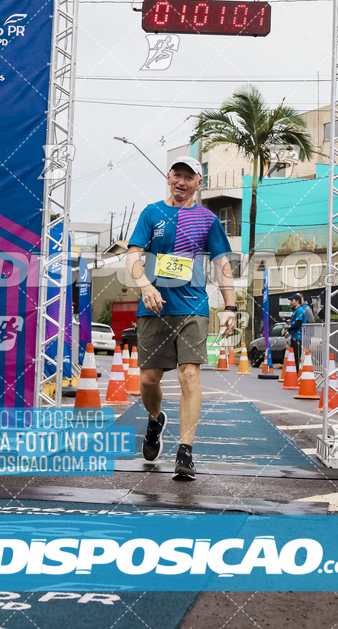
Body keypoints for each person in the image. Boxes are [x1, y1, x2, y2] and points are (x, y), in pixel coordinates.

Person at [126, 156, 236, 480]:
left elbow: (222, 265)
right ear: (169, 177)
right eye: (177, 175)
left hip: (193, 307)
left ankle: (185, 451)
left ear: (198, 184)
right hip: (154, 307)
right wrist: (144, 285)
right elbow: (134, 254)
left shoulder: (207, 219)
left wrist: (229, 308)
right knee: (148, 380)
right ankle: (154, 419)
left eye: (189, 177)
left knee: (189, 375)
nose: (181, 182)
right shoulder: (151, 213)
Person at [281, 293, 306, 372]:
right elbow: (294, 323)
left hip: (298, 338)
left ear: (297, 301)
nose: (290, 302)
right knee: (294, 358)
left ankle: (297, 378)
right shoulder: (296, 311)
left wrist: (288, 330)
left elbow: (298, 324)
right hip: (294, 337)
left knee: (297, 359)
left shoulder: (300, 310)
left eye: (292, 300)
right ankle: (295, 377)